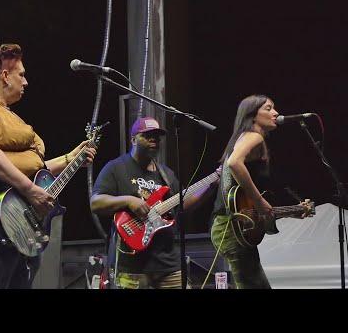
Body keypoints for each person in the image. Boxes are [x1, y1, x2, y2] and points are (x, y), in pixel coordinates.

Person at [0, 43, 96, 288]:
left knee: (18, 276)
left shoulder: (11, 116)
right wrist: (30, 189)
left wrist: (71, 159)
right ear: (4, 75)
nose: (26, 82)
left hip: (12, 197)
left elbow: (28, 166)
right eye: (21, 75)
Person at [91, 116, 207, 289]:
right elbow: (96, 203)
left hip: (167, 263)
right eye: (147, 135)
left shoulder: (166, 174)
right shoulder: (116, 167)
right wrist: (128, 200)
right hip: (131, 264)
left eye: (157, 136)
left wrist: (211, 185)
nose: (154, 139)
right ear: (133, 139)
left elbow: (182, 204)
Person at [210, 95, 279, 289]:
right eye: (268, 108)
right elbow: (234, 163)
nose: (275, 113)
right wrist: (259, 201)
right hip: (231, 227)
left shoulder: (241, 138)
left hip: (231, 225)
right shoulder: (254, 136)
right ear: (252, 115)